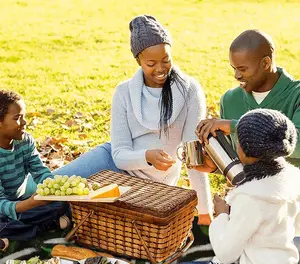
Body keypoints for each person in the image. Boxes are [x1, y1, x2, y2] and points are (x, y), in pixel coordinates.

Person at [53, 15, 213, 224]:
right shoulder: (124, 92)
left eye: (166, 60)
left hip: (149, 185)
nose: (160, 68)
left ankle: (61, 217)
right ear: (138, 60)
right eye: (150, 63)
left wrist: (204, 212)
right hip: (112, 163)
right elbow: (119, 154)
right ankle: (11, 215)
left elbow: (193, 157)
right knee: (49, 189)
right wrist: (146, 156)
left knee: (65, 205)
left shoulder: (190, 91)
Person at [166, 108, 300, 264]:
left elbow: (226, 252)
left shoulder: (251, 197)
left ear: (243, 150)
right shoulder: (293, 177)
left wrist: (222, 215)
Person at [195, 29, 300, 172]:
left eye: (242, 69)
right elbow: (238, 162)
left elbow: (296, 144)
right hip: (249, 190)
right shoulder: (230, 99)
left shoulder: (296, 95)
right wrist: (215, 167)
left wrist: (236, 127)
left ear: (266, 63)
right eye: (234, 68)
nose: (236, 75)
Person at [0, 90, 70, 241]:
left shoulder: (25, 141)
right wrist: (29, 204)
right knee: (4, 224)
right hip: (5, 208)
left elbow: (40, 172)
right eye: (17, 118)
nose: (24, 122)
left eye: (24, 116)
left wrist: (53, 189)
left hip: (21, 203)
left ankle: (15, 233)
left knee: (63, 204)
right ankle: (43, 226)